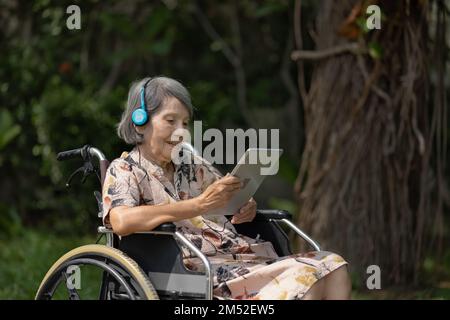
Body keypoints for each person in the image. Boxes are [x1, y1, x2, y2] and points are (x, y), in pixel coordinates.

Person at [102, 76, 351, 300]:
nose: (181, 132)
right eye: (170, 121)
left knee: (333, 265)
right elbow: (121, 220)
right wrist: (196, 206)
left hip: (241, 256)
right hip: (197, 270)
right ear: (140, 122)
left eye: (185, 123)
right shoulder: (125, 169)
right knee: (304, 279)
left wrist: (244, 206)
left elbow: (224, 198)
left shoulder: (192, 165)